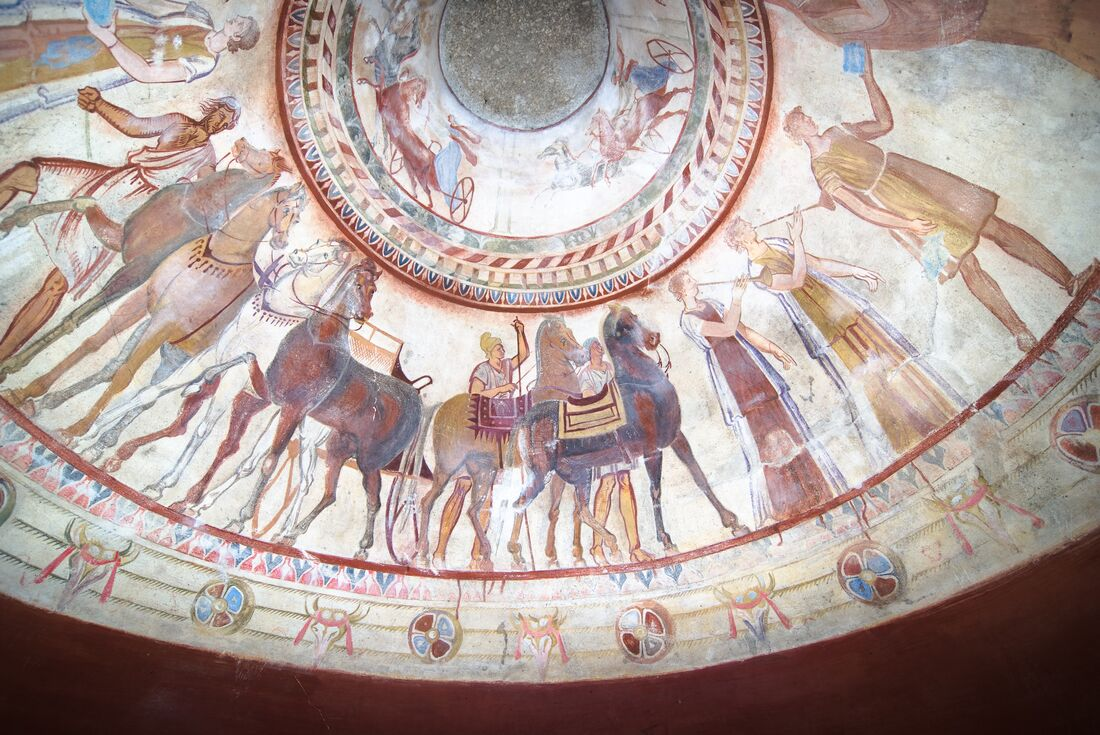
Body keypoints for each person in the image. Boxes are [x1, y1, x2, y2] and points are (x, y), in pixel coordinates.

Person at [784, 49, 1094, 352]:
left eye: (805, 115)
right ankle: (1020, 332)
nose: (808, 119)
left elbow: (884, 123)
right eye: (801, 121)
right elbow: (863, 209)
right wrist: (907, 224)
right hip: (896, 205)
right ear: (796, 135)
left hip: (916, 178)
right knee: (966, 262)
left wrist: (868, 78)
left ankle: (1069, 280)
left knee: (993, 226)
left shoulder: (838, 131)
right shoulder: (822, 170)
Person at [0, 87, 239, 360]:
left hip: (134, 211)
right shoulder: (177, 121)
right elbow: (135, 125)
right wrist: (99, 104)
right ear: (212, 108)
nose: (219, 122)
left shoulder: (207, 156)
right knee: (27, 174)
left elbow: (204, 191)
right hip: (113, 182)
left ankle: (3, 354)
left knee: (58, 283)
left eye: (226, 122)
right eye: (220, 114)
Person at [726, 212, 965, 461]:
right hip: (818, 320)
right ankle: (906, 438)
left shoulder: (777, 243)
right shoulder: (756, 271)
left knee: (888, 353)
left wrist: (856, 271)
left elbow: (818, 264)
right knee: (867, 374)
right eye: (745, 226)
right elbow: (797, 280)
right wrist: (797, 239)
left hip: (837, 301)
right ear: (740, 239)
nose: (751, 225)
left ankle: (936, 413)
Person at [670, 271, 846, 527]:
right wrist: (737, 298)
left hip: (752, 365)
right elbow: (726, 330)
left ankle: (819, 493)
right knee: (761, 441)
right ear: (681, 292)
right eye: (688, 281)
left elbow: (743, 330)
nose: (694, 281)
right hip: (731, 376)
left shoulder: (712, 304)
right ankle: (786, 509)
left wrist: (774, 349)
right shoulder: (687, 320)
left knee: (788, 427)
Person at [766, 0, 1098, 78]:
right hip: (951, 15)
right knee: (1054, 24)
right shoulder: (819, 18)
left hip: (952, 16)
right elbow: (878, 18)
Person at [433, 318, 530, 567]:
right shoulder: (483, 370)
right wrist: (500, 390)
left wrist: (520, 331)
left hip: (499, 434)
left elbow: (524, 355)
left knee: (487, 496)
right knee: (462, 488)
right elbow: (474, 396)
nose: (502, 350)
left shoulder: (506, 366)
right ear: (489, 351)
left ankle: (476, 556)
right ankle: (440, 551)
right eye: (498, 347)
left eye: (502, 347)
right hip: (477, 434)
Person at [0, 3, 259, 93]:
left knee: (44, 54)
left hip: (116, 52)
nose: (236, 18)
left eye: (241, 23)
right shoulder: (202, 17)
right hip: (126, 21)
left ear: (237, 37)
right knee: (45, 23)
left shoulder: (205, 62)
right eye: (241, 18)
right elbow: (158, 5)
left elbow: (147, 73)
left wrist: (109, 39)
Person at [575, 337, 651, 563]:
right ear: (588, 351)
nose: (599, 348)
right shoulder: (585, 374)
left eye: (599, 345)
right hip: (603, 432)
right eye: (595, 346)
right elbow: (588, 400)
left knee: (625, 481)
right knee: (607, 483)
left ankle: (635, 548)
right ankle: (596, 546)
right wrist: (609, 393)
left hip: (620, 430)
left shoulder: (609, 368)